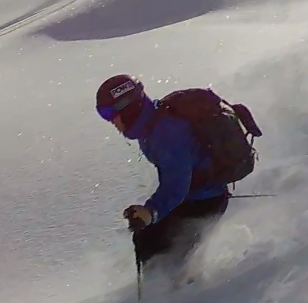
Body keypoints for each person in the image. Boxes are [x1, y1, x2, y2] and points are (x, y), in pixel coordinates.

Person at [95, 74, 244, 269]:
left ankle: (180, 286)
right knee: (148, 239)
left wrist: (150, 211)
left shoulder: (166, 134)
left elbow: (176, 186)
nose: (111, 121)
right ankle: (170, 282)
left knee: (166, 254)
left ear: (128, 108)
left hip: (204, 202)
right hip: (193, 198)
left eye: (109, 114)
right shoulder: (151, 125)